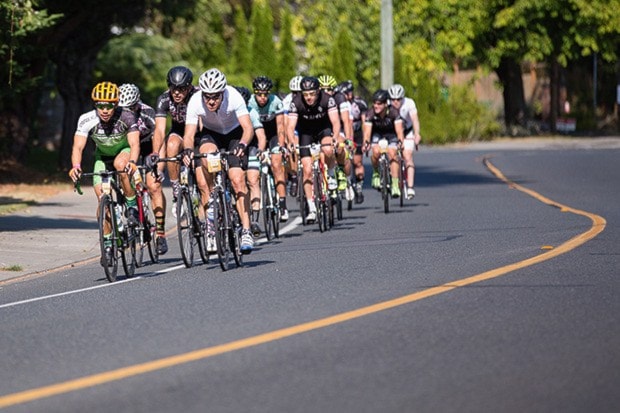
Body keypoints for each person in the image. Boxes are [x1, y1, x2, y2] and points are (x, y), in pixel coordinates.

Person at [182, 68, 255, 253]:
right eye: (207, 96)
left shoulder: (234, 96)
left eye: (215, 96)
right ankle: (215, 201)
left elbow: (248, 128)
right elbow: (189, 135)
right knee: (206, 157)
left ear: (222, 93)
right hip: (211, 135)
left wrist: (243, 144)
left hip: (234, 134)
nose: (211, 101)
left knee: (238, 181)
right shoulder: (195, 101)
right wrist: (188, 150)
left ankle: (246, 230)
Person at [68, 81, 141, 265]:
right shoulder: (86, 119)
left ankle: (132, 205)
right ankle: (108, 243)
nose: (105, 110)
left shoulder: (127, 116)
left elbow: (134, 144)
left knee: (120, 164)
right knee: (102, 201)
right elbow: (78, 146)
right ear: (95, 105)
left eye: (109, 105)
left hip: (123, 152)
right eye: (100, 105)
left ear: (116, 104)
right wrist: (76, 167)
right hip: (102, 157)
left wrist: (132, 162)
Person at [117, 83, 169, 255]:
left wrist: (158, 168)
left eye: (131, 108)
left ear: (137, 103)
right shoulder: (116, 115)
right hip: (128, 147)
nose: (128, 112)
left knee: (153, 185)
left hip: (148, 147)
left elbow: (159, 141)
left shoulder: (148, 113)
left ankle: (160, 233)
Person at [286, 76, 341, 223]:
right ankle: (311, 207)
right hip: (306, 133)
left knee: (328, 150)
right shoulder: (296, 101)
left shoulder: (327, 99)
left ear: (318, 91)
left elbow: (335, 121)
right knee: (307, 169)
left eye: (312, 94)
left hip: (324, 128)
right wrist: (291, 142)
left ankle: (330, 172)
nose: (309, 97)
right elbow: (290, 127)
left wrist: (335, 137)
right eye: (305, 94)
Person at [153, 66, 199, 217]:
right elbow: (159, 130)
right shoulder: (164, 99)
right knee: (171, 145)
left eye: (181, 89)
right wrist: (155, 153)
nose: (177, 93)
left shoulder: (198, 96)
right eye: (173, 88)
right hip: (179, 130)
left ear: (189, 87)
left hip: (199, 132)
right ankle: (176, 190)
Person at [248, 76, 289, 222]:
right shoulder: (250, 102)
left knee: (277, 165)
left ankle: (283, 204)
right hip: (257, 135)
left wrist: (282, 146)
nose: (263, 97)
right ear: (255, 93)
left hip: (273, 136)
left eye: (265, 94)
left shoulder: (276, 102)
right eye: (259, 94)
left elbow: (280, 127)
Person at [236, 85, 267, 237]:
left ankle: (254, 220)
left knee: (253, 180)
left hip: (252, 146)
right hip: (235, 147)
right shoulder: (229, 112)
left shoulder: (251, 112)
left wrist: (261, 150)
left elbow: (261, 136)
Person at [362, 89, 405, 198]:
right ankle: (376, 172)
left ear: (386, 104)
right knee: (376, 151)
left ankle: (395, 184)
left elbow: (399, 131)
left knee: (392, 154)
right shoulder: (370, 113)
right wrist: (366, 143)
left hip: (391, 135)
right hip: (377, 135)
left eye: (379, 103)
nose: (376, 106)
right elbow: (367, 133)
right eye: (374, 103)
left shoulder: (393, 112)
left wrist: (400, 142)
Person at [318, 74, 354, 194]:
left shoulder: (340, 98)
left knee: (339, 145)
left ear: (334, 90)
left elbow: (346, 121)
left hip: (339, 128)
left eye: (329, 89)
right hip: (324, 129)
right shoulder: (317, 99)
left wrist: (348, 139)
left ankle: (341, 170)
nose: (326, 92)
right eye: (323, 89)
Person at [388, 84, 421, 199]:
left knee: (407, 156)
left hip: (407, 132)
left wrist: (417, 134)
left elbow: (415, 120)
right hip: (393, 133)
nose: (395, 102)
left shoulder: (409, 103)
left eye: (398, 99)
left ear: (403, 98)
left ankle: (410, 187)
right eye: (393, 99)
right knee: (392, 155)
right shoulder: (387, 105)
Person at [338, 80, 367, 203]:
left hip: (357, 133)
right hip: (343, 132)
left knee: (357, 161)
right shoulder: (338, 103)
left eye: (348, 92)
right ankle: (345, 180)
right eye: (344, 93)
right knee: (344, 158)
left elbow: (365, 122)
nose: (347, 95)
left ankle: (359, 187)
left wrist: (366, 139)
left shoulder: (359, 103)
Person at [282, 75, 303, 198]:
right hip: (293, 126)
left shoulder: (309, 98)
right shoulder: (287, 101)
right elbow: (285, 122)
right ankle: (294, 176)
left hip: (305, 126)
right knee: (292, 144)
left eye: (299, 92)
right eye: (294, 92)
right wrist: (287, 139)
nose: (297, 95)